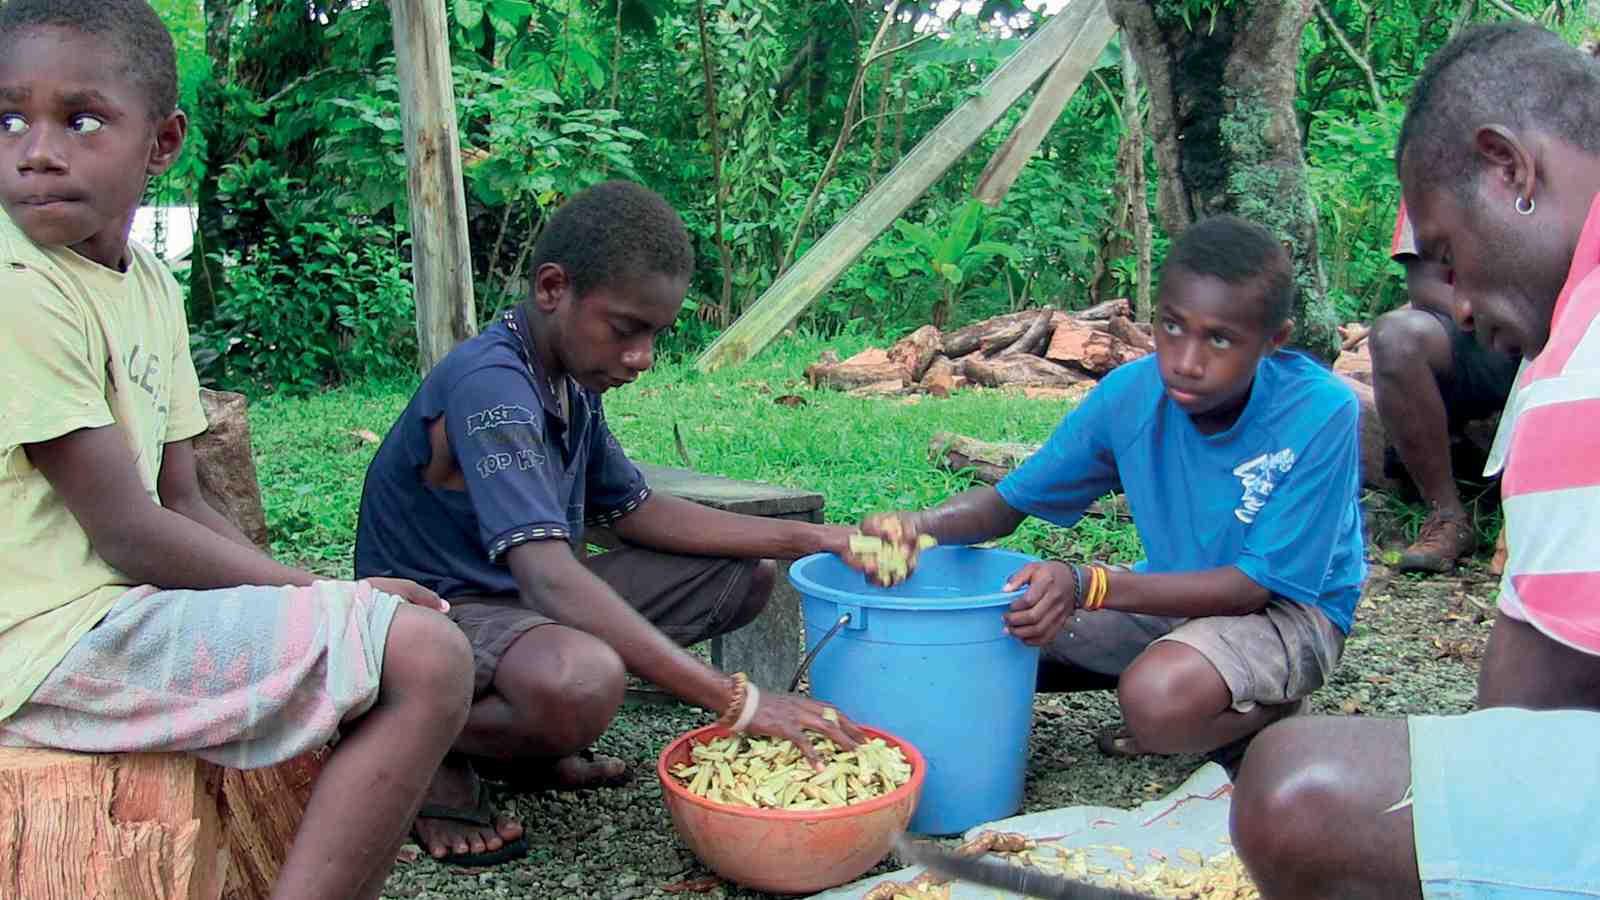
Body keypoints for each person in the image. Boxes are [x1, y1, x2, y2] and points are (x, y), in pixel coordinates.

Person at [0, 3, 475, 898]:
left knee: (394, 647)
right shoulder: (19, 287)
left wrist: (315, 600)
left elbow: (183, 496)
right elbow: (132, 533)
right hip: (37, 644)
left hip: (108, 617)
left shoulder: (144, 282)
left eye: (82, 119)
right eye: (9, 118)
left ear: (164, 143)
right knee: (428, 658)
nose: (37, 150)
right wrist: (331, 596)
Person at [354, 180, 866, 865]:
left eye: (655, 335)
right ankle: (422, 744)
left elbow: (636, 511)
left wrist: (811, 538)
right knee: (582, 681)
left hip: (517, 611)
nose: (642, 357)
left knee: (740, 579)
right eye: (626, 330)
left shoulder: (568, 380)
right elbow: (548, 580)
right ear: (552, 288)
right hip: (437, 618)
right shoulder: (493, 386)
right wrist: (737, 701)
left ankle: (527, 749)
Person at [1231, 23, 1600, 899]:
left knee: (1294, 787)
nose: (1457, 302)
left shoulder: (1578, 367)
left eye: (1447, 254)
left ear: (1510, 169)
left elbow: (1522, 724)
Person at [850, 215, 1366, 764]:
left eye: (1219, 339)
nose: (1186, 362)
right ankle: (1200, 696)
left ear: (1273, 341)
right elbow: (1006, 506)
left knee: (1157, 702)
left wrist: (1086, 584)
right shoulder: (1132, 395)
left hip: (1289, 613)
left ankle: (1268, 714)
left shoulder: (1319, 412)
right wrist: (919, 527)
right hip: (1172, 591)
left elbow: (1251, 589)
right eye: (1171, 327)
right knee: (987, 631)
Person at [1369, 202, 1520, 573]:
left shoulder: (1574, 154)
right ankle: (1447, 516)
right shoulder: (1433, 160)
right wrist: (1508, 317)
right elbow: (1426, 285)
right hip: (1482, 333)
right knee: (1396, 338)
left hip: (1576, 324)